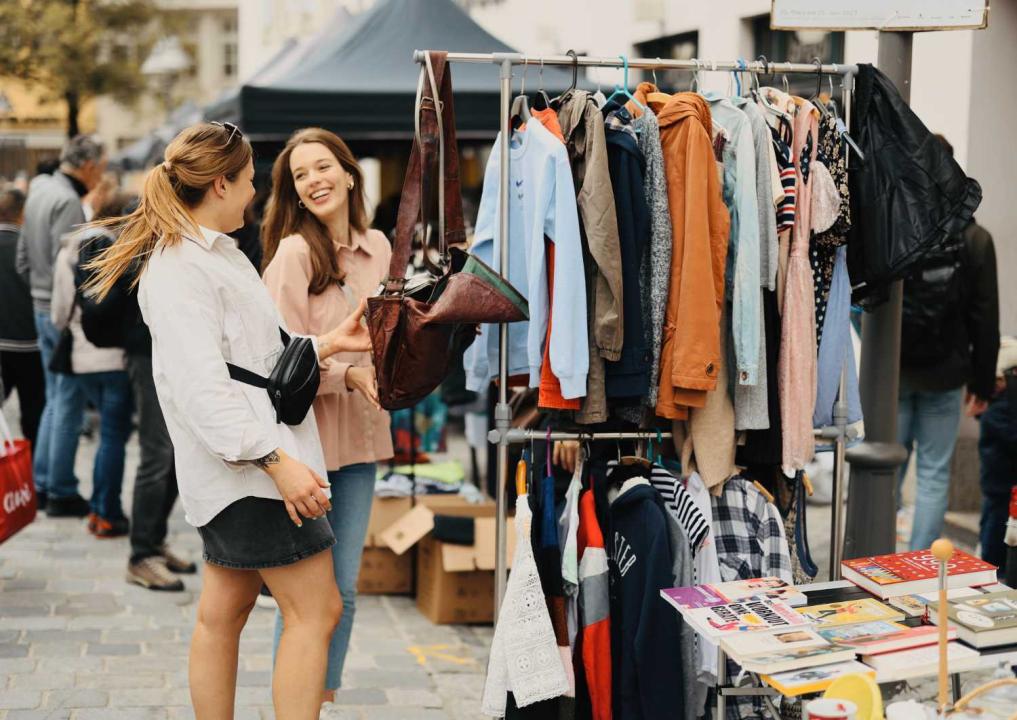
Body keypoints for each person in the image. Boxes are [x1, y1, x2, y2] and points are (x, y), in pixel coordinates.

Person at [83, 122, 373, 720]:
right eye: (248, 181)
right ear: (219, 183)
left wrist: (325, 346)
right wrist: (275, 463)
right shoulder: (182, 266)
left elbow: (258, 359)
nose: (255, 194)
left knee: (224, 614)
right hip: (252, 470)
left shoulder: (216, 254)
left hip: (247, 466)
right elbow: (201, 388)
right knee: (315, 612)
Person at [261, 127, 393, 705]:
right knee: (307, 598)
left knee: (347, 588)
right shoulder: (293, 253)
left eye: (322, 167)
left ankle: (318, 699)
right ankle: (295, 708)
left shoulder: (381, 247)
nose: (313, 181)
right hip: (307, 448)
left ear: (348, 171)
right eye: (300, 175)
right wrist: (348, 374)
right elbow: (273, 360)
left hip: (362, 444)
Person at [77, 194, 196, 587]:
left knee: (179, 452)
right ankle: (140, 555)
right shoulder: (137, 242)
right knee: (157, 454)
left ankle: (154, 540)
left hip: (174, 354)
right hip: (148, 356)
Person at [897, 134, 1000, 552]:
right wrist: (981, 383)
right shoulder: (976, 239)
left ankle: (877, 561)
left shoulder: (900, 228)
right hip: (947, 373)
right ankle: (918, 562)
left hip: (897, 373)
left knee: (889, 464)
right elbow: (985, 317)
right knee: (935, 472)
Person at [17, 134, 107, 516]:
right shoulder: (68, 200)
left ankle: (42, 483)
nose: (101, 175)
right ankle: (60, 490)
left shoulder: (39, 191)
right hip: (59, 312)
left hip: (40, 306)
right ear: (87, 166)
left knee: (56, 398)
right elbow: (69, 268)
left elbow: (23, 259)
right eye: (100, 167)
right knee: (67, 399)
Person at [51, 192, 135, 537]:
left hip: (81, 358)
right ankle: (106, 512)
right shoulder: (120, 249)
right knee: (114, 437)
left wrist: (73, 331)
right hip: (115, 358)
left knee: (106, 437)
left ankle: (99, 510)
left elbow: (60, 309)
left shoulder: (69, 247)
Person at [0, 187, 44, 448]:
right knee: (34, 413)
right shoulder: (28, 246)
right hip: (29, 341)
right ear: (22, 215)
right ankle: (34, 477)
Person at [977, 337, 1017, 570]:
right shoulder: (1001, 409)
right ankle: (992, 567)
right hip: (999, 485)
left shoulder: (1001, 407)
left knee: (995, 524)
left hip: (999, 484)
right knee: (995, 526)